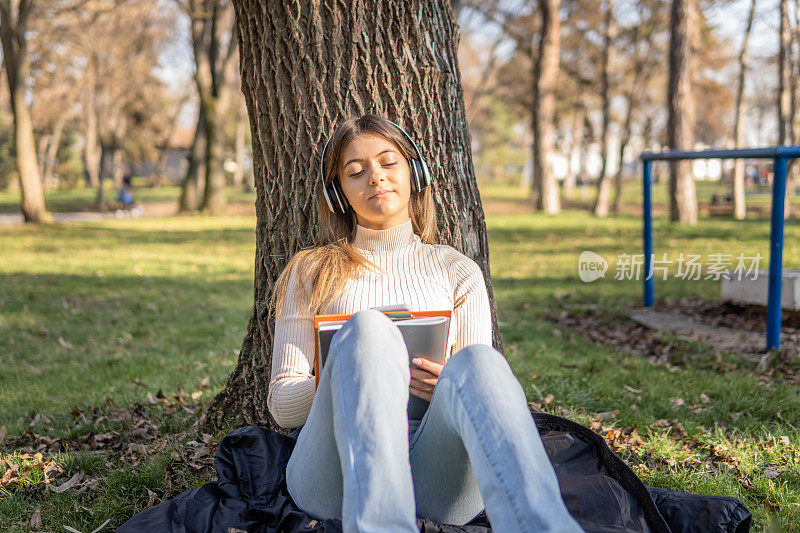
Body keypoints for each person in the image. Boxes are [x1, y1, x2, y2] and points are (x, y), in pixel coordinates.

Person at [267, 114, 583, 533]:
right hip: (334, 476)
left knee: (479, 363)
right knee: (370, 331)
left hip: (436, 475)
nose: (375, 178)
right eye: (356, 172)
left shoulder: (457, 270)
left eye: (388, 163)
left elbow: (478, 391)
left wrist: (445, 386)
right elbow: (281, 404)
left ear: (414, 172)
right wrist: (343, 377)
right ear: (339, 193)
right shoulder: (312, 271)